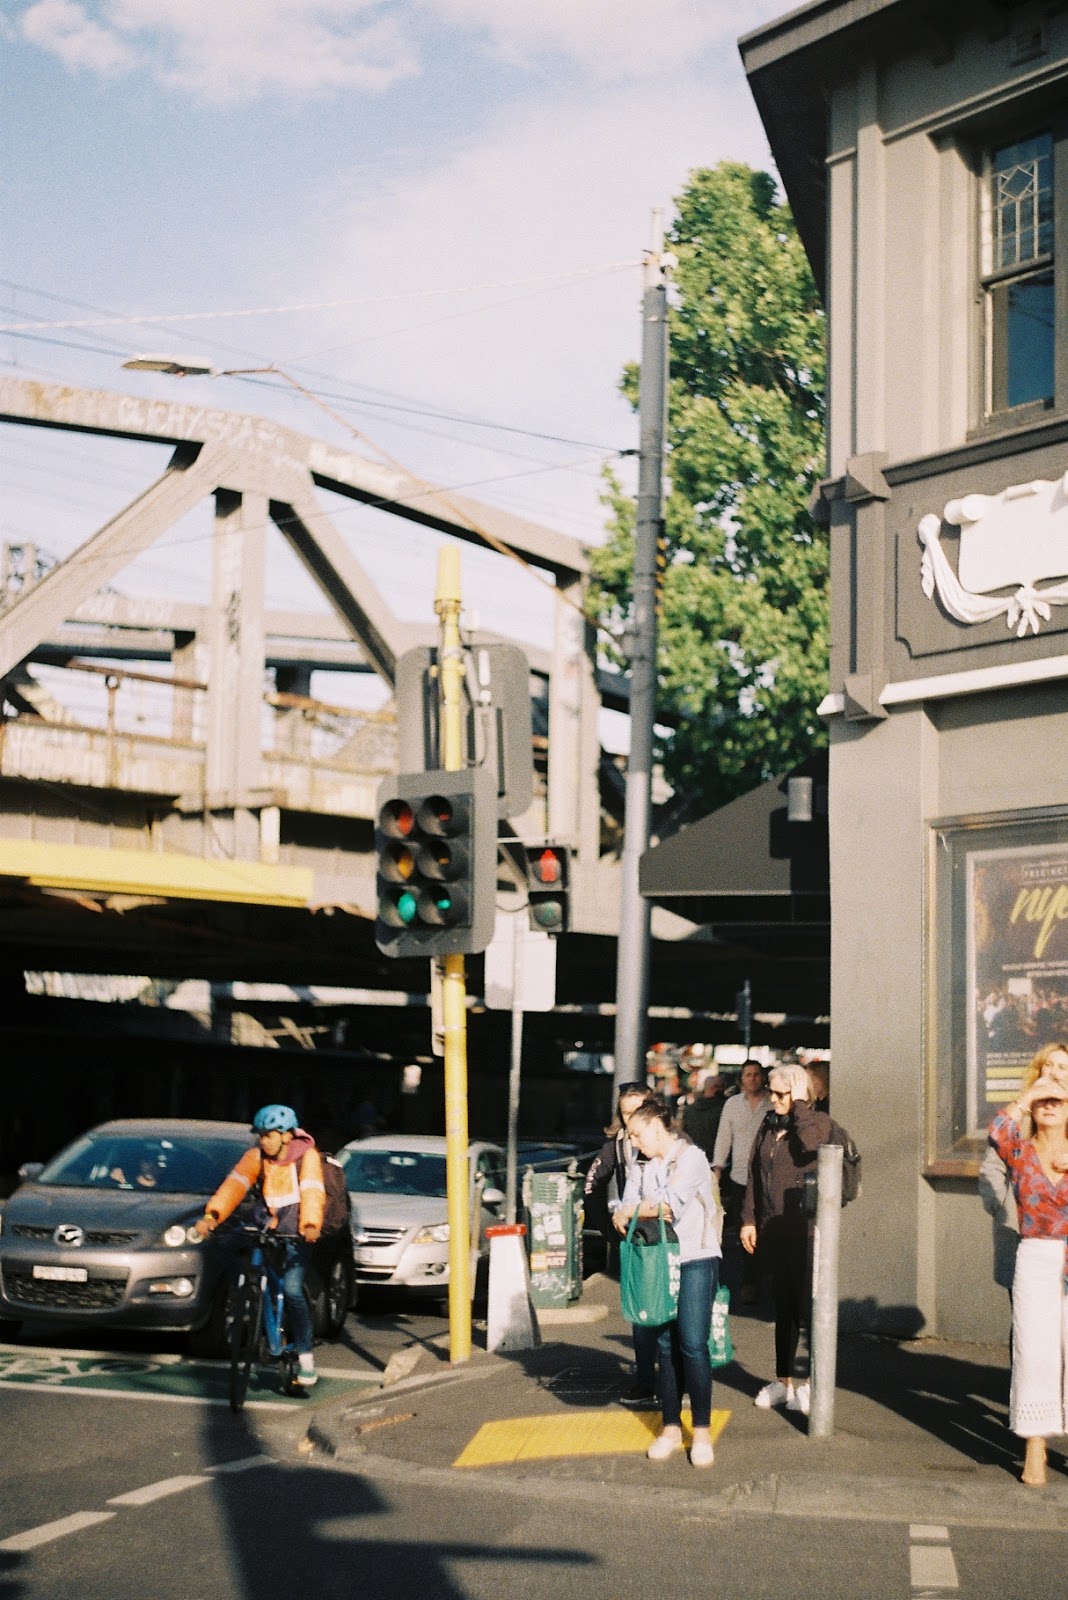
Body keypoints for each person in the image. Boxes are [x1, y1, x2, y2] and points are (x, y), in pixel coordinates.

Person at [615, 1099, 722, 1468]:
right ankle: (671, 1427)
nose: (634, 1143)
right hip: (661, 1260)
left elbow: (669, 1205)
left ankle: (703, 1431)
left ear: (657, 1129)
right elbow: (627, 1202)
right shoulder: (646, 1166)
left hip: (697, 1257)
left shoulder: (691, 1157)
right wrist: (628, 1209)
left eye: (637, 1135)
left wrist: (631, 1209)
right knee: (665, 1345)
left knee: (692, 1343)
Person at [196, 1104, 325, 1387]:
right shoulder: (256, 1157)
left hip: (298, 1230)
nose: (263, 1141)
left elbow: (313, 1191)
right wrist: (212, 1216)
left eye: (269, 1135)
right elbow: (234, 1185)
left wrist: (311, 1225)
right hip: (267, 1224)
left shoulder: (306, 1158)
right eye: (261, 1135)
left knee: (292, 1289)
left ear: (287, 1136)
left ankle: (305, 1361)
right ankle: (247, 1289)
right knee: (225, 1245)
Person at [988, 1076, 1068, 1486]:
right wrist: (1028, 1096)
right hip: (1036, 1256)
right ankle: (1034, 1447)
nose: (1049, 1105)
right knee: (1035, 1354)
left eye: (1058, 1099)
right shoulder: (1020, 1152)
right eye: (1043, 1101)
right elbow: (998, 1130)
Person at [740, 1063, 831, 1416]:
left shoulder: (817, 1122)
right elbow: (753, 1173)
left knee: (809, 1309)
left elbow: (811, 1144)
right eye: (771, 1092)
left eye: (781, 1094)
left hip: (806, 1232)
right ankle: (783, 1381)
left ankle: (812, 1385)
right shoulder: (768, 1124)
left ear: (798, 1093)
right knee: (783, 1308)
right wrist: (748, 1219)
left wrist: (799, 1110)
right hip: (772, 1229)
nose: (773, 1100)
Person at [585, 1081, 658, 1406]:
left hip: (669, 1237)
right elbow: (593, 1184)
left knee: (668, 1310)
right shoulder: (615, 1145)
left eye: (637, 1112)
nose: (630, 1121)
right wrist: (608, 1230)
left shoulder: (675, 1143)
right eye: (625, 1113)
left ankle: (671, 1377)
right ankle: (646, 1380)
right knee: (640, 1311)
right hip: (635, 1238)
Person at [979, 1043, 1068, 1306]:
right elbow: (992, 1165)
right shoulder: (1022, 1112)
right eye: (1048, 1065)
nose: (1054, 1072)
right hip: (1024, 1234)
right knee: (1026, 1323)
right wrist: (1002, 1206)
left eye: (1062, 1067)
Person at [713, 1059, 770, 1302]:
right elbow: (724, 1137)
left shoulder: (772, 1102)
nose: (753, 1078)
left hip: (769, 1176)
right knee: (745, 1229)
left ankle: (766, 1277)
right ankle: (750, 1282)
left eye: (757, 1074)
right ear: (741, 1080)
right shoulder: (732, 1105)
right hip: (740, 1177)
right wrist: (717, 1167)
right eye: (748, 1075)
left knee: (768, 1229)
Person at [681, 1073, 727, 1165]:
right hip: (717, 1160)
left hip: (695, 1158)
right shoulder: (724, 1109)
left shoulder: (689, 1110)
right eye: (719, 1087)